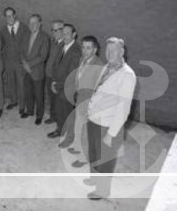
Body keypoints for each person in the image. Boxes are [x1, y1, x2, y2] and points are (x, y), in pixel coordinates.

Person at [85, 37, 136, 200]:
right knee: (93, 153)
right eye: (107, 50)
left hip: (107, 125)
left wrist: (111, 134)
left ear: (122, 52)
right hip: (93, 119)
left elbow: (123, 109)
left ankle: (102, 190)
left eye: (113, 50)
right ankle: (94, 177)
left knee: (105, 159)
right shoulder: (107, 66)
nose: (109, 53)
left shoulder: (127, 75)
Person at [66, 35, 104, 168]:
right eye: (83, 47)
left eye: (89, 48)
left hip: (89, 103)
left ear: (95, 50)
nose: (85, 51)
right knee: (78, 126)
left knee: (84, 132)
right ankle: (77, 147)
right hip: (80, 98)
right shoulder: (82, 59)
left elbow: (99, 90)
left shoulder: (99, 65)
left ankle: (83, 158)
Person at [47, 24, 81, 140]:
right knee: (60, 111)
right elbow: (56, 65)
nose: (64, 35)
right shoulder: (63, 46)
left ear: (74, 35)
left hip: (67, 88)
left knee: (67, 113)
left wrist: (57, 85)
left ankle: (69, 137)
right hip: (59, 85)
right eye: (63, 33)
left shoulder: (76, 51)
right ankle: (60, 130)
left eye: (67, 33)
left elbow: (72, 74)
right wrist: (54, 81)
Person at [0, 7, 30, 115]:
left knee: (21, 84)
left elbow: (28, 45)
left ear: (15, 15)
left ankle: (22, 105)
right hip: (8, 62)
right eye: (7, 16)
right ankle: (13, 101)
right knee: (10, 83)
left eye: (11, 15)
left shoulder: (24, 28)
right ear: (5, 17)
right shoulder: (3, 30)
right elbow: (2, 45)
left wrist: (25, 61)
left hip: (20, 62)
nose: (10, 18)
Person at [21, 14, 50, 125]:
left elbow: (43, 56)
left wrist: (29, 65)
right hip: (26, 70)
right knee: (28, 92)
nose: (32, 25)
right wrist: (24, 63)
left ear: (40, 24)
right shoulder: (25, 35)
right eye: (30, 23)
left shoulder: (44, 37)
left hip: (37, 71)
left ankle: (39, 115)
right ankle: (29, 111)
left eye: (35, 23)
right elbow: (22, 51)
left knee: (39, 95)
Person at [44, 20, 64, 124]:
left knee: (58, 100)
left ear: (63, 30)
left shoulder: (65, 45)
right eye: (53, 30)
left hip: (56, 78)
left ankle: (59, 121)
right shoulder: (53, 42)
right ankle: (53, 116)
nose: (54, 33)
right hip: (49, 75)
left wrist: (55, 79)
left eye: (57, 30)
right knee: (51, 99)